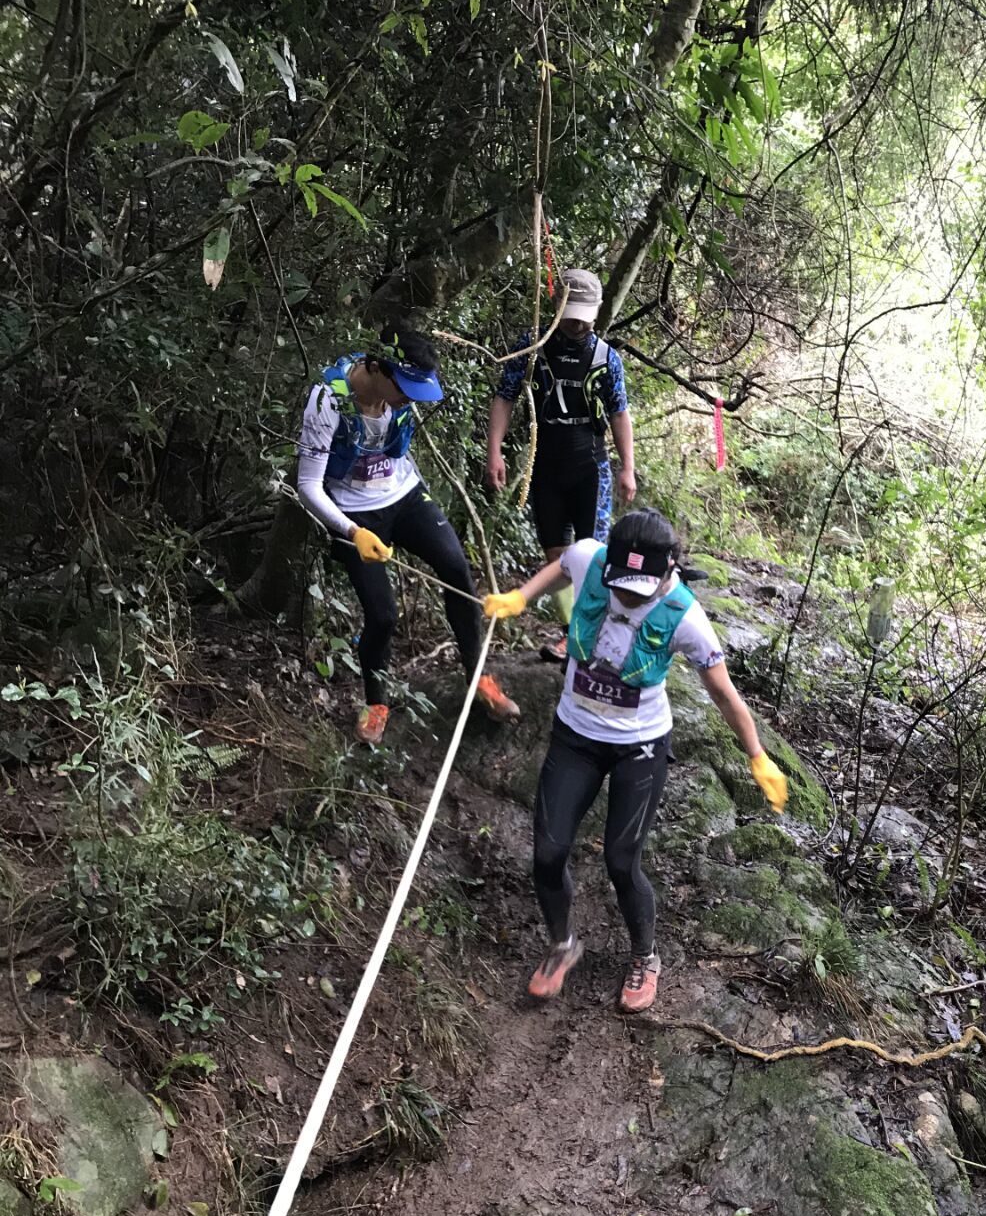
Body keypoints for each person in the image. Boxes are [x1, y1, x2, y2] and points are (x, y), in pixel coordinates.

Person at [483, 509, 788, 1014]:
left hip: (639, 746)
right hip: (575, 735)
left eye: (639, 588)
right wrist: (521, 596)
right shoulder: (588, 559)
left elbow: (724, 695)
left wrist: (758, 756)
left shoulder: (686, 617)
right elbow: (559, 569)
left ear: (668, 573)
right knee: (547, 854)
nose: (627, 597)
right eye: (620, 584)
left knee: (622, 861)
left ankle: (645, 956)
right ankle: (563, 945)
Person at [297, 322, 519, 746]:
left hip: (403, 494)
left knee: (456, 569)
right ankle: (376, 703)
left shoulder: (397, 398)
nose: (409, 401)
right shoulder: (329, 400)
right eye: (405, 389)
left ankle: (480, 681)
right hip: (353, 513)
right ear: (377, 368)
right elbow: (308, 485)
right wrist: (351, 531)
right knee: (382, 615)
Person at [484, 269, 636, 661]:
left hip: (590, 467)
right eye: (570, 314)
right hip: (545, 467)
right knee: (558, 558)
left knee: (592, 555)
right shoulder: (531, 348)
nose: (576, 324)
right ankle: (575, 633)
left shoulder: (606, 359)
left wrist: (627, 467)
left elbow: (619, 414)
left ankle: (592, 636)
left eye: (584, 317)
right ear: (556, 307)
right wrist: (495, 451)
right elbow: (504, 397)